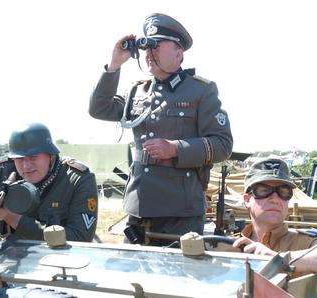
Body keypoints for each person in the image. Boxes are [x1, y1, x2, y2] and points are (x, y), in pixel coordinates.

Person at [89, 13, 233, 245]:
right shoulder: (137, 91)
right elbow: (99, 109)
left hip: (180, 212)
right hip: (139, 208)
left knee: (178, 278)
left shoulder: (201, 91)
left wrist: (175, 149)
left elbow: (222, 144)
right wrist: (114, 65)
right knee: (134, 277)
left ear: (179, 53)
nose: (149, 53)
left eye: (156, 45)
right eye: (147, 47)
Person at [231, 158, 317, 279]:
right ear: (247, 200)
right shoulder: (229, 244)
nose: (275, 199)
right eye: (264, 190)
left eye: (284, 192)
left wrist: (280, 259)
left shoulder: (304, 242)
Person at [0, 123, 98, 242]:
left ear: (51, 156)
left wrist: (12, 218)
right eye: (20, 159)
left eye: (33, 157)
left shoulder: (76, 178)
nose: (26, 166)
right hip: (7, 256)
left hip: (58, 258)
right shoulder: (1, 171)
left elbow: (80, 238)